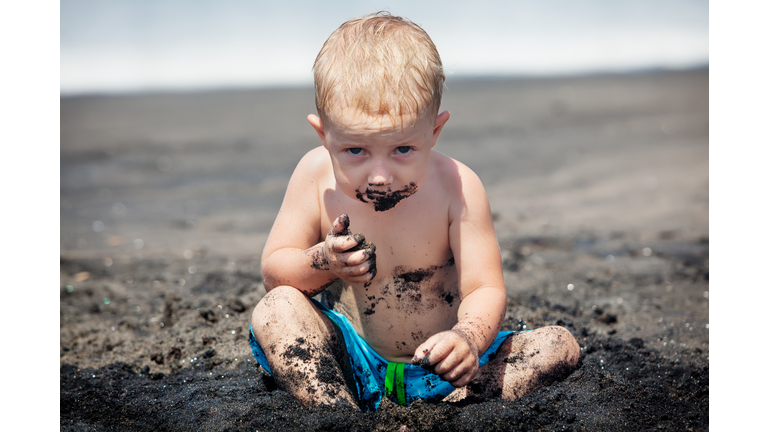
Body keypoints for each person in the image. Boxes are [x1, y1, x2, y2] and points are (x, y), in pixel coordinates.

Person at [249, 12, 580, 411]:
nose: (380, 176)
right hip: (353, 359)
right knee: (275, 311)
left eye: (403, 150)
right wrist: (324, 261)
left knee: (558, 345)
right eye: (355, 151)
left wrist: (468, 339)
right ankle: (337, 413)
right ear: (324, 135)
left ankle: (448, 410)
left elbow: (484, 288)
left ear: (434, 132)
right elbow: (275, 276)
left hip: (444, 371)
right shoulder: (315, 176)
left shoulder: (458, 186)